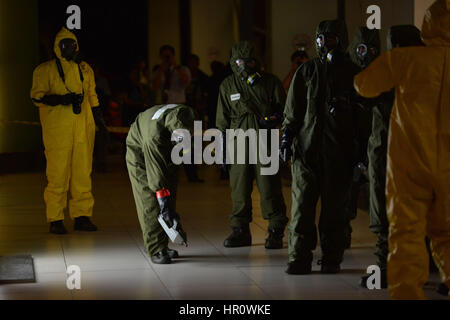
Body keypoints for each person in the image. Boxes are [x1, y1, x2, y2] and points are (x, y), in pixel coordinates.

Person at [354, 0, 450, 299]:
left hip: (409, 164)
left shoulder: (406, 59)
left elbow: (363, 85)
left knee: (406, 234)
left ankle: (408, 293)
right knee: (447, 234)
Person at [280, 20, 361, 275]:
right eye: (321, 38)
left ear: (342, 40)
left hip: (339, 152)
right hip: (306, 152)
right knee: (302, 206)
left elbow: (364, 116)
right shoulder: (307, 71)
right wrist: (286, 139)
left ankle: (332, 257)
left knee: (335, 210)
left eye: (331, 38)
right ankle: (299, 257)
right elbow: (292, 111)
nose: (325, 44)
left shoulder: (352, 72)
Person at [30, 27, 103, 234]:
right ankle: (55, 218)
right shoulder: (44, 70)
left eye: (71, 45)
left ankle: (82, 216)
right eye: (64, 45)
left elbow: (92, 96)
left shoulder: (85, 69)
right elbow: (36, 96)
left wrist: (99, 120)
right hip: (57, 133)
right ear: (56, 47)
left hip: (83, 130)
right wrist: (60, 100)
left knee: (83, 174)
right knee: (57, 175)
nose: (68, 48)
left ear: (77, 46)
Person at [216, 41, 288, 250]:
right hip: (237, 143)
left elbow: (285, 112)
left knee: (269, 188)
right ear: (233, 62)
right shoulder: (227, 85)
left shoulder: (270, 83)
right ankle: (240, 230)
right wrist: (221, 150)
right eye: (239, 61)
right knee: (239, 189)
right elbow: (222, 121)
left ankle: (275, 229)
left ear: (256, 62)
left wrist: (273, 119)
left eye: (248, 61)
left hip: (265, 141)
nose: (244, 66)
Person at [126, 104, 194, 264]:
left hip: (164, 146)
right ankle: (155, 248)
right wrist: (164, 203)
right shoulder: (154, 137)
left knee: (169, 194)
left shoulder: (186, 114)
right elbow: (157, 180)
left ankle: (164, 244)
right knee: (150, 200)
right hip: (139, 152)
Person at [186, 54, 209, 122]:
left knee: (197, 127)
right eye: (190, 62)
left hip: (199, 105)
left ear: (197, 63)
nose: (192, 65)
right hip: (187, 104)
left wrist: (203, 103)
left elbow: (206, 91)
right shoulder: (184, 75)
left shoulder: (202, 77)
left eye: (193, 62)